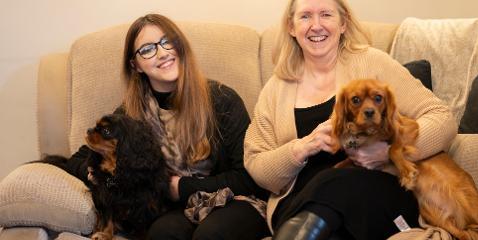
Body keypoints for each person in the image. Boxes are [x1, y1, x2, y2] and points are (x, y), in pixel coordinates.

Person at [243, 0, 457, 239]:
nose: (316, 25)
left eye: (326, 14)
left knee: (332, 181)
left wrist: (388, 151)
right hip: (300, 207)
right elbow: (256, 164)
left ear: (343, 23)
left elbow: (442, 118)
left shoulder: (373, 63)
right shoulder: (276, 88)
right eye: (305, 17)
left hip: (374, 198)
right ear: (291, 27)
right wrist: (302, 147)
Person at [66, 14, 270, 240]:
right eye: (147, 49)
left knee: (211, 235)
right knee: (163, 233)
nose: (163, 53)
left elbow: (248, 178)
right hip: (176, 209)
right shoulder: (130, 114)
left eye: (167, 41)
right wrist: (102, 176)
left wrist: (180, 187)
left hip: (233, 201)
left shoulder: (223, 100)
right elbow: (79, 159)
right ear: (136, 65)